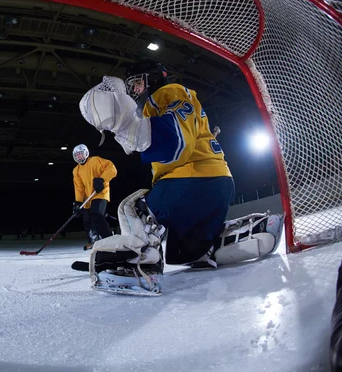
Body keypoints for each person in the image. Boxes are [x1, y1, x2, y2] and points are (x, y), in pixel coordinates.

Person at [77, 60, 283, 295]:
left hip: (191, 182)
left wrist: (123, 123)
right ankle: (229, 239)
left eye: (136, 84)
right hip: (218, 184)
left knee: (133, 209)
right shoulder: (167, 102)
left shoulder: (166, 93)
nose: (134, 91)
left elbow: (175, 143)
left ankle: (139, 265)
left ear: (152, 78)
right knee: (184, 251)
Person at [71, 144, 117, 248]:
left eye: (80, 154)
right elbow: (79, 188)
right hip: (88, 197)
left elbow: (112, 169)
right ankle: (94, 240)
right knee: (86, 219)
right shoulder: (76, 170)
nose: (79, 157)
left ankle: (108, 238)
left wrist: (102, 179)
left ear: (86, 153)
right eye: (76, 155)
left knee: (96, 214)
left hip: (100, 193)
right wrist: (78, 202)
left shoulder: (96, 160)